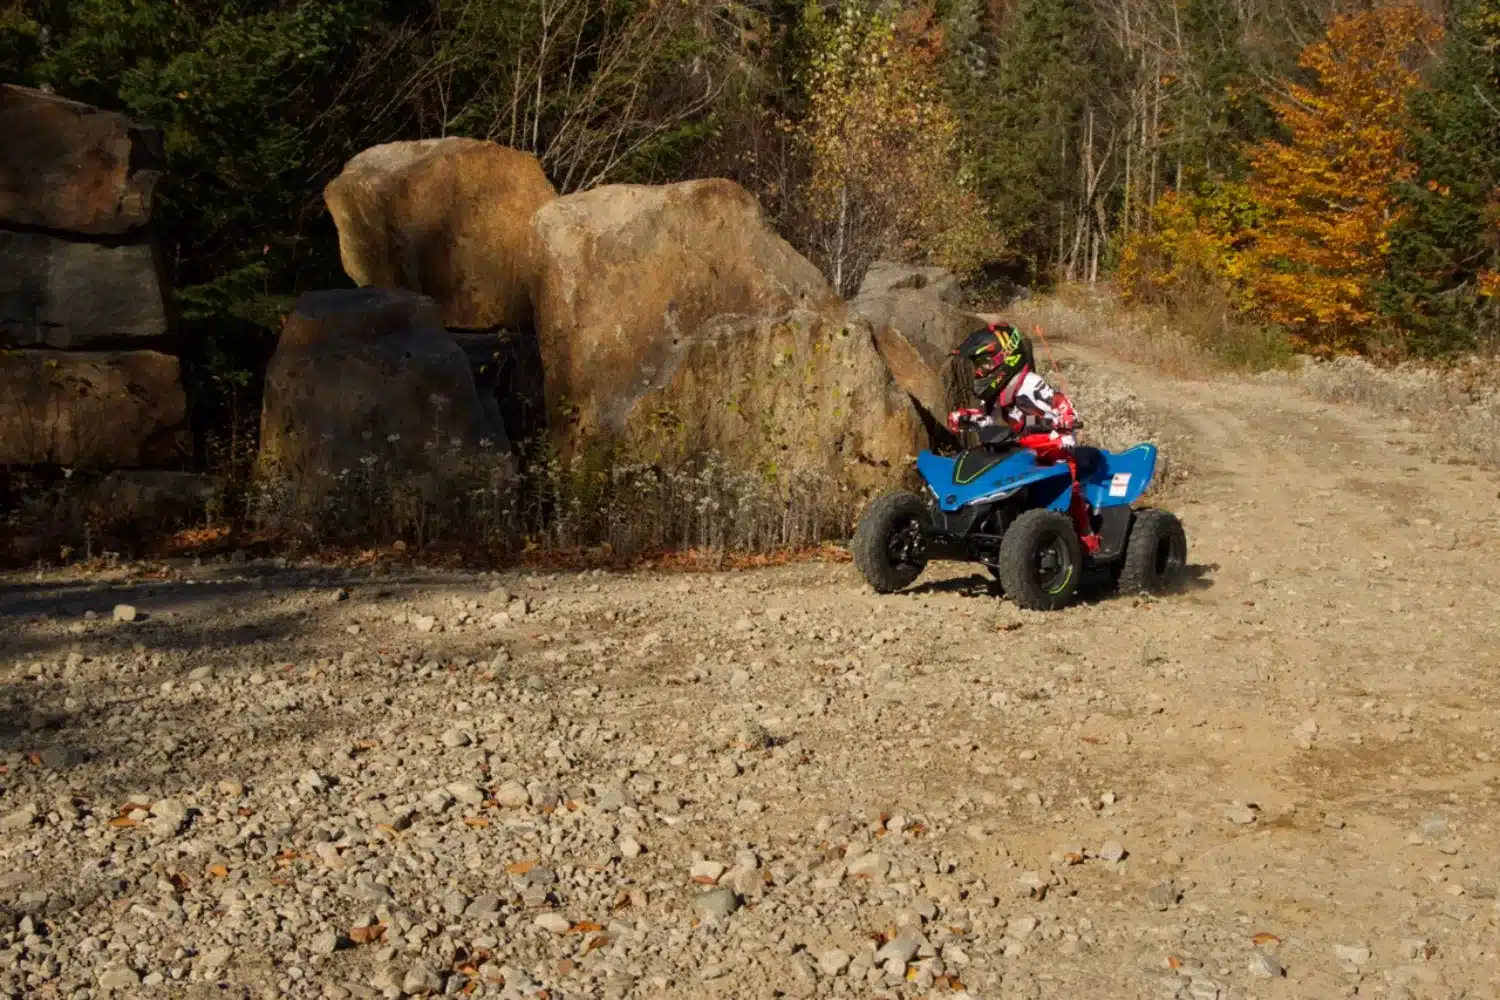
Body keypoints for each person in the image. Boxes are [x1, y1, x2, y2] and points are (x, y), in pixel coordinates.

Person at [946, 322, 1097, 550]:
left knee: (1068, 482)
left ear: (1006, 358)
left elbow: (1058, 401)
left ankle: (1086, 537)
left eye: (984, 364)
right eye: (977, 366)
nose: (979, 372)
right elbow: (988, 419)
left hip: (1052, 442)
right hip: (1020, 444)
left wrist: (1065, 417)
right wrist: (965, 417)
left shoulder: (1029, 384)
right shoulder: (998, 392)